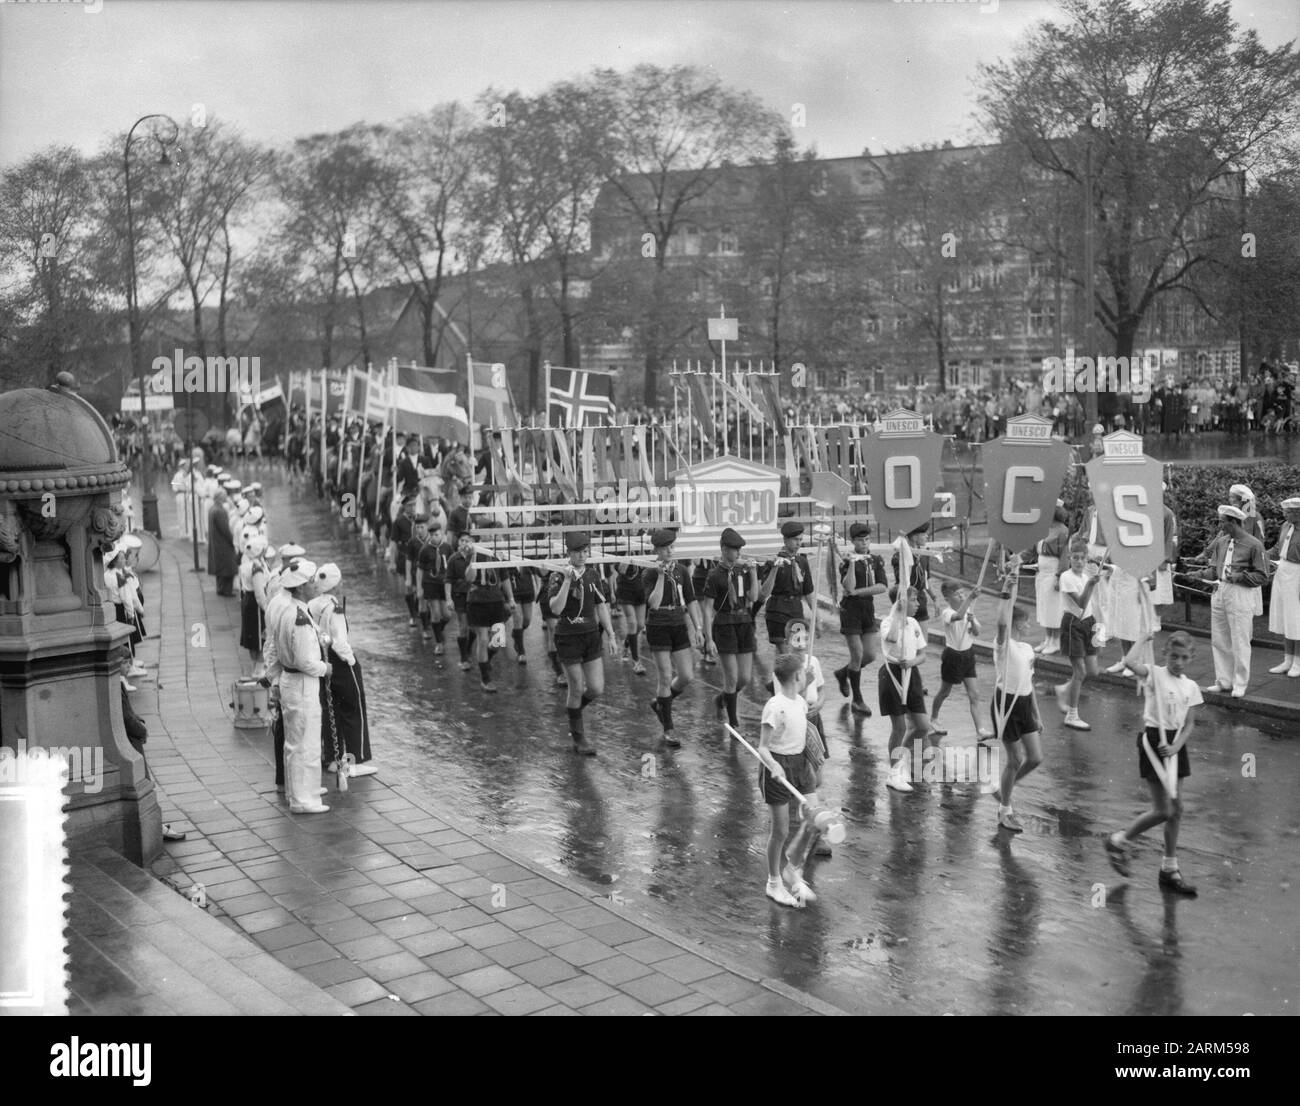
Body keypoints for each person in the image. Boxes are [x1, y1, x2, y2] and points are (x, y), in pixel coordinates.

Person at [1105, 631, 1202, 896]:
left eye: (1184, 657)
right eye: (1173, 656)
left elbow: (1189, 723)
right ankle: (1119, 840)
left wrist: (1176, 747)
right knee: (1163, 810)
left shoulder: (1191, 687)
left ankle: (1169, 868)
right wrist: (1143, 638)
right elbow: (1129, 663)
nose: (1178, 662)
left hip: (1174, 747)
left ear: (1191, 658)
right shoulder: (1155, 675)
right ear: (1165, 654)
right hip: (1154, 742)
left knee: (1177, 809)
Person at [756, 653, 820, 908]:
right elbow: (762, 747)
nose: (806, 676)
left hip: (801, 765)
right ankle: (773, 882)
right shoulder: (775, 706)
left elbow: (803, 731)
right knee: (781, 830)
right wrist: (773, 766)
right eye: (804, 673)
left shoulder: (801, 702)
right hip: (778, 768)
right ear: (796, 676)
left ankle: (792, 869)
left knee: (814, 820)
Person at [547, 531, 618, 756]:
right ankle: (579, 739)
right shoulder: (558, 576)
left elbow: (601, 605)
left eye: (585, 551)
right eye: (578, 552)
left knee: (596, 688)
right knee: (576, 687)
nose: (582, 556)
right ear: (568, 553)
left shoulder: (593, 575)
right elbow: (555, 609)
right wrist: (568, 580)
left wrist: (611, 633)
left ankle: (573, 711)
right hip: (568, 637)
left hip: (590, 635)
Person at [987, 567, 1044, 833]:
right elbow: (1001, 622)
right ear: (1017, 623)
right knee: (1015, 759)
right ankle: (1004, 810)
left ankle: (1004, 789)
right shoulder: (1004, 646)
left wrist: (1037, 714)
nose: (1029, 625)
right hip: (1005, 704)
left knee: (1035, 758)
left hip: (1024, 705)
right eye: (1026, 621)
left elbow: (1029, 683)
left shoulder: (1027, 649)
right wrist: (1006, 591)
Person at [308, 563, 377, 780]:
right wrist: (351, 661)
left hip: (323, 660)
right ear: (336, 585)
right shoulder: (334, 608)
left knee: (331, 710)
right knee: (353, 709)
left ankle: (332, 758)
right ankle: (356, 760)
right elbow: (340, 642)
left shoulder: (311, 605)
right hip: (340, 662)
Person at [273, 557, 330, 814]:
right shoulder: (297, 616)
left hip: (292, 681)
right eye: (309, 582)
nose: (313, 585)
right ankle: (301, 799)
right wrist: (325, 668)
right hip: (302, 682)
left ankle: (300, 790)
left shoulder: (290, 610)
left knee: (296, 741)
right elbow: (305, 660)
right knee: (304, 742)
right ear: (299, 588)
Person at [643, 529, 704, 748]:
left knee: (686, 675)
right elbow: (653, 603)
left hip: (678, 622)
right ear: (657, 550)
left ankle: (660, 703)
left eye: (672, 547)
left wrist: (698, 627)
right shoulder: (650, 572)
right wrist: (660, 576)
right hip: (658, 624)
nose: (670, 551)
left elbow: (691, 599)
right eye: (666, 548)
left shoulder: (681, 570)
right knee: (665, 676)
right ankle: (668, 728)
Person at [1199, 504, 1268, 696]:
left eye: (1223, 522)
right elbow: (1214, 570)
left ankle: (1240, 684)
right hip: (1220, 589)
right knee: (1219, 638)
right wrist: (1197, 574)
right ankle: (1223, 681)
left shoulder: (1254, 544)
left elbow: (1263, 576)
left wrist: (1241, 577)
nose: (1220, 526)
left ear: (1234, 522)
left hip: (1241, 593)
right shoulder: (1221, 542)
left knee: (1240, 639)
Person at [701, 528, 760, 730]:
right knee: (732, 677)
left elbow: (753, 597)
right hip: (725, 625)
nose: (738, 553)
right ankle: (734, 723)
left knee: (744, 677)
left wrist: (753, 573)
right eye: (735, 549)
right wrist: (708, 639)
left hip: (743, 623)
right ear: (724, 549)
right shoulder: (714, 575)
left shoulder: (742, 571)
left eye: (739, 549)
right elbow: (707, 609)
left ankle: (722, 699)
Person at [880, 586, 932, 793]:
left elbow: (923, 654)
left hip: (911, 673)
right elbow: (891, 639)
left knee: (922, 726)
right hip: (892, 674)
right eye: (913, 599)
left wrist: (911, 662)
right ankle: (894, 773)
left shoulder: (914, 623)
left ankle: (901, 759)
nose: (918, 603)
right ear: (901, 602)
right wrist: (897, 614)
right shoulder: (887, 623)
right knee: (899, 726)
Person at [831, 522, 886, 716]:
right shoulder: (846, 562)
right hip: (850, 610)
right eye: (860, 540)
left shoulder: (876, 560)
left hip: (867, 608)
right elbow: (848, 587)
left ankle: (843, 673)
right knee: (857, 654)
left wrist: (859, 592)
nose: (864, 543)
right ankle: (858, 699)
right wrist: (853, 563)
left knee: (869, 655)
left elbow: (882, 586)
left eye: (867, 539)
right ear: (853, 541)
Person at [930, 580, 994, 739]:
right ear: (947, 598)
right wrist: (971, 598)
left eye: (962, 593)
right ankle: (934, 718)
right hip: (953, 655)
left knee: (974, 694)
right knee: (944, 692)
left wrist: (972, 621)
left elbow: (977, 632)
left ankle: (980, 730)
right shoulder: (947, 612)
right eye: (957, 594)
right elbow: (957, 616)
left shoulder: (969, 612)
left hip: (968, 655)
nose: (961, 596)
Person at [1053, 544, 1103, 730]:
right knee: (1080, 671)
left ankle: (1064, 689)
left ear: (1087, 559)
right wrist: (1091, 584)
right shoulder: (1066, 577)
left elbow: (1090, 604)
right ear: (1070, 559)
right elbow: (1081, 603)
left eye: (1083, 558)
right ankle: (1072, 715)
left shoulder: (1085, 576)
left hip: (1089, 623)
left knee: (1093, 671)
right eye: (1076, 557)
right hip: (1073, 624)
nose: (1080, 561)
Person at [465, 532, 515, 693]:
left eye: (496, 536)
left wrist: (511, 598)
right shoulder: (473, 552)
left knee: (498, 640)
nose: (493, 538)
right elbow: (469, 578)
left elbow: (505, 577)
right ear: (482, 536)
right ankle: (485, 678)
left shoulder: (497, 554)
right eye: (489, 535)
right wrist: (472, 558)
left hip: (496, 600)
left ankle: (485, 661)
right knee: (483, 639)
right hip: (477, 600)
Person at [758, 520, 815, 657]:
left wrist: (817, 618)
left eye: (801, 539)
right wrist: (774, 569)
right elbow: (764, 593)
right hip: (778, 611)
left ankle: (785, 677)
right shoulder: (774, 561)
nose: (798, 543)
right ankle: (781, 676)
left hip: (796, 610)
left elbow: (808, 591)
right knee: (785, 655)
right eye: (795, 539)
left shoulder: (802, 561)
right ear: (785, 539)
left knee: (799, 652)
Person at [1267, 496, 1300, 676]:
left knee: (1297, 618)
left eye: (1288, 512)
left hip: (1298, 575)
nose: (1285, 515)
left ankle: (1298, 662)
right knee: (1285, 617)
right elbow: (1278, 548)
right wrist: (1262, 554)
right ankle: (1287, 660)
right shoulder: (1286, 526)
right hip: (1283, 573)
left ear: (1297, 513)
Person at [1032, 501, 1069, 655]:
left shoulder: (1062, 530)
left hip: (1053, 571)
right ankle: (1048, 638)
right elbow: (1032, 549)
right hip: (1042, 572)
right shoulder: (1042, 527)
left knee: (1054, 608)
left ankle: (1056, 641)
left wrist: (1059, 576)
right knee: (1044, 607)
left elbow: (1064, 556)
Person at [444, 531, 475, 671]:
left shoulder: (475, 557)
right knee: (463, 626)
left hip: (474, 596)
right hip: (459, 596)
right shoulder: (453, 559)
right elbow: (448, 580)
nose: (465, 543)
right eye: (462, 540)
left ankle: (467, 649)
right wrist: (449, 598)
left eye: (467, 541)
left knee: (473, 628)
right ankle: (463, 658)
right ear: (458, 543)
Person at [614, 555, 649, 676]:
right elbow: (621, 570)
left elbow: (648, 567)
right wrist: (628, 556)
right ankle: (636, 661)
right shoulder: (621, 550)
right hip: (625, 592)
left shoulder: (641, 549)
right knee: (632, 623)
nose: (634, 534)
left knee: (640, 625)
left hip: (640, 591)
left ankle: (626, 644)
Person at [207, 488, 237, 597]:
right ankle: (226, 590)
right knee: (228, 568)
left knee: (220, 568)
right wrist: (233, 540)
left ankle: (220, 588)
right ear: (220, 497)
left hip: (216, 542)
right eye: (224, 496)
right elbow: (225, 529)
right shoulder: (220, 511)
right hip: (223, 544)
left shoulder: (212, 508)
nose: (226, 498)